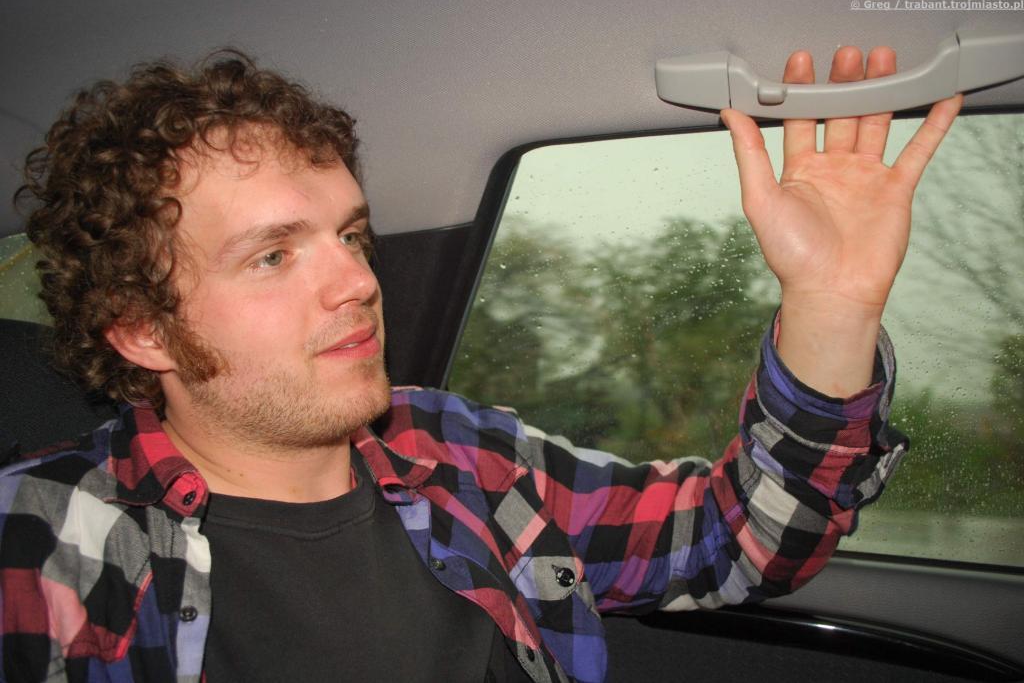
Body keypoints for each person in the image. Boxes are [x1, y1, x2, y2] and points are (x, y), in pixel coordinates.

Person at [0, 45, 961, 683]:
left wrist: (831, 307)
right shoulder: (41, 540)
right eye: (273, 255)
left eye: (350, 235)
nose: (357, 282)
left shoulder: (457, 453)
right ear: (142, 331)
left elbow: (737, 540)